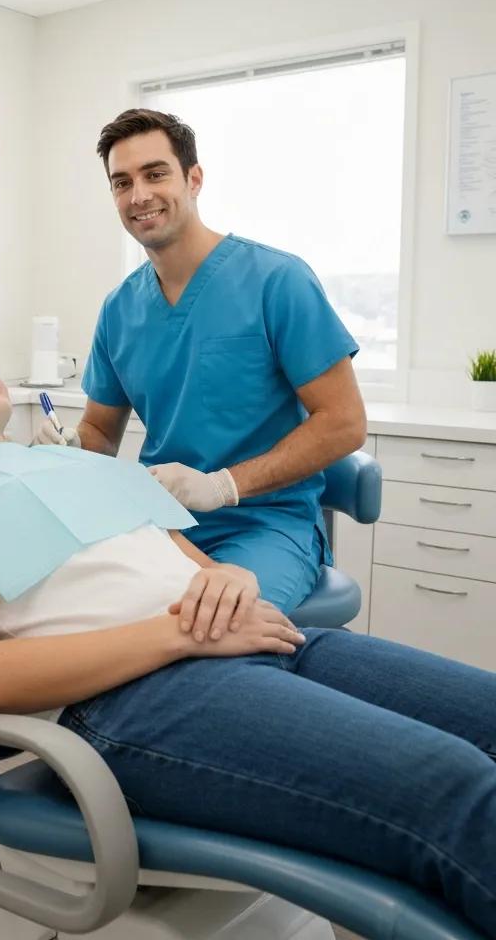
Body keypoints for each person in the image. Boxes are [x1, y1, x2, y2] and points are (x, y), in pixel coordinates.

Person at [0, 335, 496, 939]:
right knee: (458, 790)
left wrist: (235, 581)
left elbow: (205, 568)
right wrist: (180, 635)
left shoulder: (77, 466)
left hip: (260, 641)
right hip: (140, 700)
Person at [34, 109, 367, 614]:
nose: (138, 194)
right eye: (121, 182)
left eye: (155, 173)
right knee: (75, 615)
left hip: (266, 525)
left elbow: (344, 424)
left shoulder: (277, 281)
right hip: (157, 524)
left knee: (213, 626)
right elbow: (101, 433)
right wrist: (71, 444)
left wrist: (223, 486)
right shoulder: (120, 309)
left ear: (194, 179)